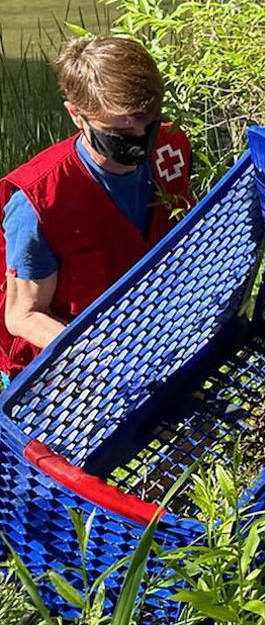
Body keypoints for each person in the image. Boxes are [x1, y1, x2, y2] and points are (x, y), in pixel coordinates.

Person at [0, 36, 192, 387]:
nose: (139, 136)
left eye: (147, 121)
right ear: (76, 115)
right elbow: (23, 315)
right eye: (120, 129)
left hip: (151, 331)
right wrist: (97, 356)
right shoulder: (40, 202)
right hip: (68, 367)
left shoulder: (171, 147)